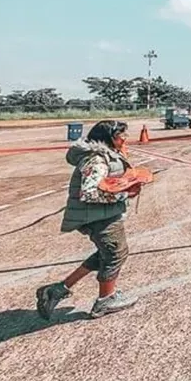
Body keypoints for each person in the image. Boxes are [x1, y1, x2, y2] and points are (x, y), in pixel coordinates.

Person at [35, 120, 141, 320]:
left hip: (100, 214)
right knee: (115, 253)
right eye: (121, 135)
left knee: (106, 253)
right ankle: (105, 300)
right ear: (108, 138)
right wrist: (125, 194)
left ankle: (58, 289)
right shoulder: (97, 160)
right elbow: (90, 194)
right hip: (98, 216)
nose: (124, 139)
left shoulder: (105, 155)